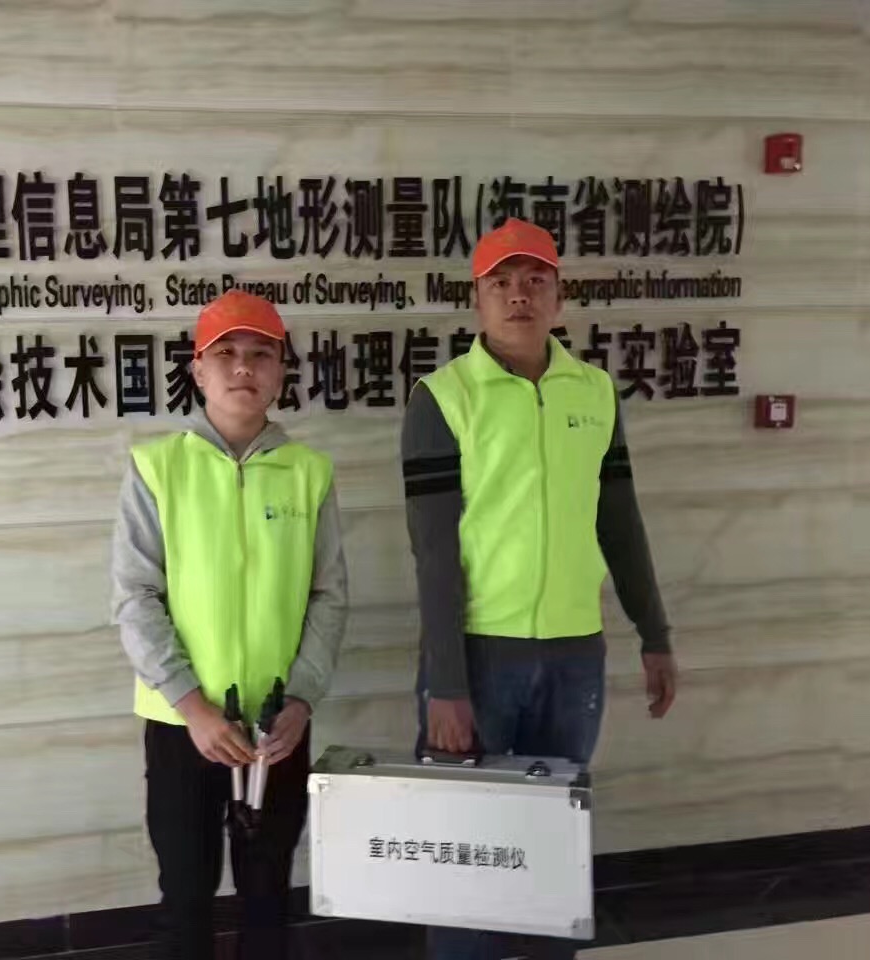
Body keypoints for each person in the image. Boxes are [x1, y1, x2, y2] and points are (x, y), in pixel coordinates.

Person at [401, 219, 678, 960]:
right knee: (467, 856)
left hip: (573, 655)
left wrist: (654, 633)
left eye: (534, 281)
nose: (518, 295)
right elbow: (433, 554)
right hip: (478, 656)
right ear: (477, 298)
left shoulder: (595, 391)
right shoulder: (443, 398)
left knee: (553, 855)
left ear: (560, 295)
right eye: (501, 283)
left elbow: (620, 523)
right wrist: (446, 686)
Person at [111, 290, 348, 960]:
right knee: (185, 899)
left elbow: (329, 595)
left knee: (267, 901)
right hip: (183, 724)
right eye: (226, 353)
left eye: (261, 354)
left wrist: (302, 699)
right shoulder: (157, 468)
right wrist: (192, 707)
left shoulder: (310, 473)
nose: (244, 367)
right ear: (198, 369)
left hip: (277, 726)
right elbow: (134, 597)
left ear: (281, 371)